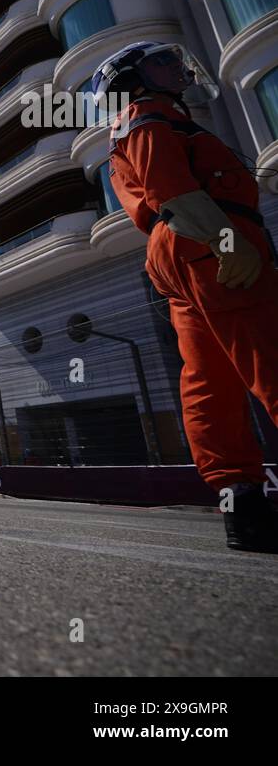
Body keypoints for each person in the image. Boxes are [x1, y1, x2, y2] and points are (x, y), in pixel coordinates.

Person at [95, 41, 278, 553]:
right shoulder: (150, 116)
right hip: (207, 239)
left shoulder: (132, 127)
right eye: (163, 63)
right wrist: (228, 242)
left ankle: (243, 504)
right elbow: (171, 190)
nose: (177, 70)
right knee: (268, 355)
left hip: (178, 250)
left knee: (210, 377)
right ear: (133, 79)